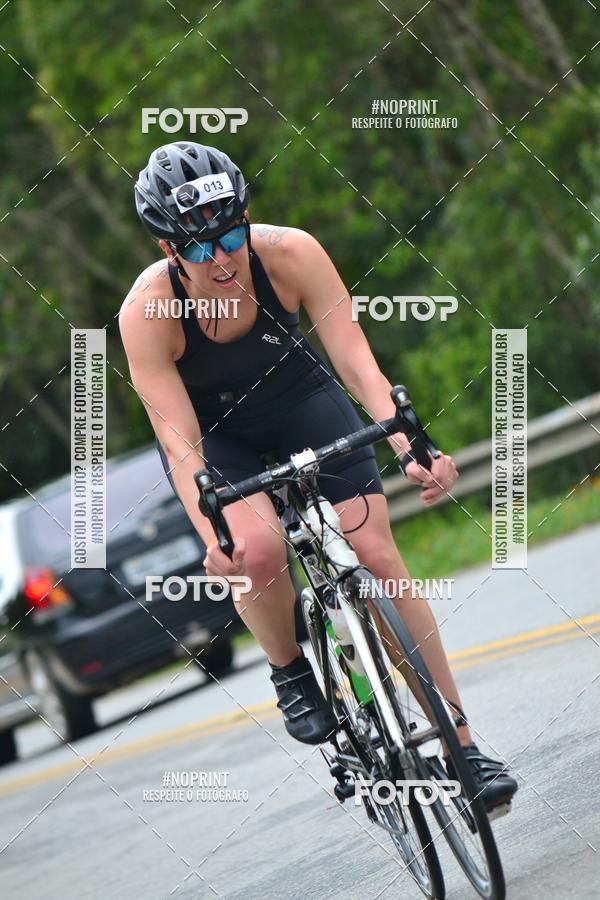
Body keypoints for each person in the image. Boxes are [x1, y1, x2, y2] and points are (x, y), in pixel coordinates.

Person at [119, 140, 517, 811]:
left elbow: (358, 362)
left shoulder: (291, 254)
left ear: (247, 218)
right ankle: (290, 668)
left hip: (302, 402)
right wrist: (213, 533)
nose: (218, 259)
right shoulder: (146, 315)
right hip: (220, 439)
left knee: (375, 555)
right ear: (167, 252)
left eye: (229, 235)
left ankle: (464, 749)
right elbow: (180, 441)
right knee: (259, 550)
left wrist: (412, 441)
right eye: (196, 249)